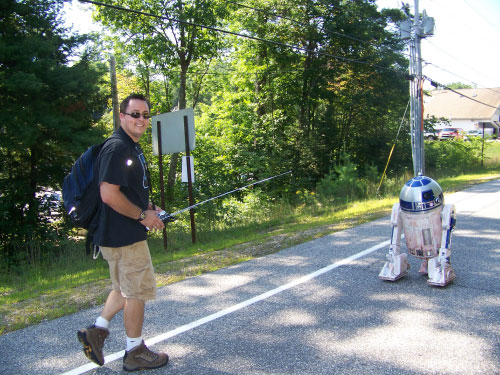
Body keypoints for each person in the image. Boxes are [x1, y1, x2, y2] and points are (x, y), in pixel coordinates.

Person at [77, 93, 169, 372]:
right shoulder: (118, 148)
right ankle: (134, 351)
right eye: (135, 114)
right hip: (123, 235)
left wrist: (151, 208)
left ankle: (98, 329)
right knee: (137, 292)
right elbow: (108, 194)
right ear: (122, 117)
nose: (141, 119)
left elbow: (128, 190)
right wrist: (143, 216)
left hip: (116, 233)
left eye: (145, 114)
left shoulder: (129, 147)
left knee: (123, 289)